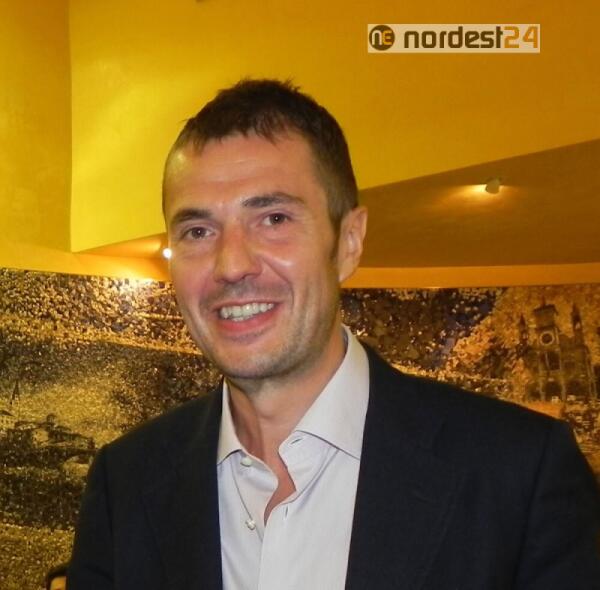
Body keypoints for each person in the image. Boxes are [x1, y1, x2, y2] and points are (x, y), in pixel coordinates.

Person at [69, 79, 600, 589]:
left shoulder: (519, 474)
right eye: (197, 231)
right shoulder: (126, 482)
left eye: (274, 219)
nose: (231, 265)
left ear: (348, 242)